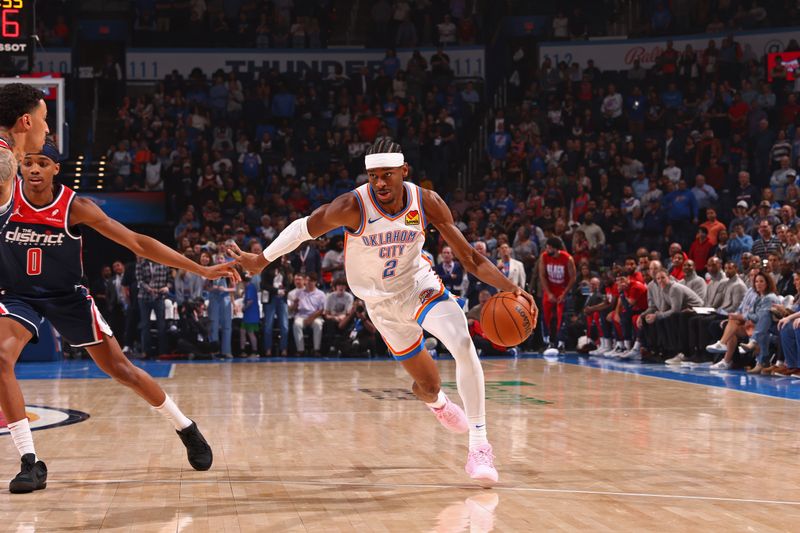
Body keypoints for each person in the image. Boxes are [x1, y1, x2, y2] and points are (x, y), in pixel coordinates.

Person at [229, 139, 537, 485]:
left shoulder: (427, 202)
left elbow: (471, 258)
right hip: (379, 303)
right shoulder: (353, 206)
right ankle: (438, 404)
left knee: (462, 343)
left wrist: (511, 288)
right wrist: (262, 258)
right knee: (427, 384)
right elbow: (304, 227)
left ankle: (479, 445)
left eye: (387, 175)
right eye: (373, 176)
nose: (379, 183)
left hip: (417, 285)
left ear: (404, 172)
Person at [0, 136, 239, 493]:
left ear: (56, 170)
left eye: (43, 164)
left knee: (121, 369)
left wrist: (200, 270)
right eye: (29, 162)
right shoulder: (7, 197)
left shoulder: (75, 207)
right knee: (2, 357)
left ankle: (185, 426)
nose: (34, 169)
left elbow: (138, 243)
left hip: (67, 297)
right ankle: (30, 463)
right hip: (19, 297)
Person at [538, 237, 576, 353]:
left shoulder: (567, 258)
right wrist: (548, 293)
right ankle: (548, 342)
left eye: (549, 247)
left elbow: (573, 277)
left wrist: (564, 294)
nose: (546, 249)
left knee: (561, 316)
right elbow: (542, 275)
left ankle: (561, 343)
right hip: (549, 289)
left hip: (562, 289)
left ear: (555, 248)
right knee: (546, 316)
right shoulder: (544, 256)